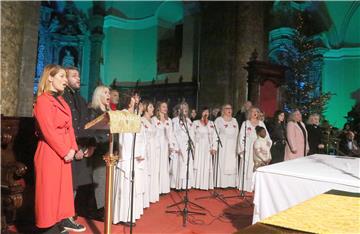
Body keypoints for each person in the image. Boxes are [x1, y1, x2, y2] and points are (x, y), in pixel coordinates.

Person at [33, 64, 85, 233]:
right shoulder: (42, 100)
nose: (65, 81)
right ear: (50, 77)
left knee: (62, 193)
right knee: (49, 194)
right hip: (50, 152)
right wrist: (65, 151)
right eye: (61, 77)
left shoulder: (61, 100)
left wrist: (73, 148)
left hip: (65, 152)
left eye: (65, 77)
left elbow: (70, 127)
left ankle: (61, 224)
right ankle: (49, 229)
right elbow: (48, 130)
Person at [63, 67, 96, 218]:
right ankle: (64, 217)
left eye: (78, 75)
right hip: (68, 149)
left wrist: (89, 145)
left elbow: (86, 124)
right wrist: (74, 148)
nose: (78, 78)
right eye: (74, 76)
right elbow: (65, 127)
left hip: (80, 148)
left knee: (75, 185)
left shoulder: (81, 99)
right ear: (65, 78)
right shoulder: (62, 97)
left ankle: (69, 214)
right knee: (66, 186)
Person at [113, 91, 146, 225]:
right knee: (125, 186)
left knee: (134, 186)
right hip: (127, 155)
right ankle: (123, 215)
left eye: (138, 97)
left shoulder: (136, 115)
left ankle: (131, 214)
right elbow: (124, 136)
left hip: (136, 156)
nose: (137, 99)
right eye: (134, 97)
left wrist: (140, 152)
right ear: (128, 99)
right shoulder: (123, 114)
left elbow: (142, 136)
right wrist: (131, 153)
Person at [238, 107, 271, 192]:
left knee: (258, 167)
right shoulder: (245, 123)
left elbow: (267, 136)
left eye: (257, 111)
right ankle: (246, 186)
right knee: (248, 167)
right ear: (249, 113)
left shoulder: (261, 123)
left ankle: (257, 186)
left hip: (258, 149)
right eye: (253, 111)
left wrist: (267, 144)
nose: (255, 113)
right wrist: (242, 149)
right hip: (248, 149)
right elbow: (241, 137)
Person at [89, 85, 110, 218]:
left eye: (109, 92)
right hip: (99, 150)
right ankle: (99, 210)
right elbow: (91, 132)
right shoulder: (93, 111)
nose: (109, 95)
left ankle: (106, 206)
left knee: (107, 181)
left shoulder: (109, 112)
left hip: (109, 150)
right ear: (98, 96)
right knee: (100, 180)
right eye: (105, 93)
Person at [152, 101, 176, 194]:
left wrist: (171, 146)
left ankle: (163, 188)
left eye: (166, 107)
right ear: (158, 108)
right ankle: (156, 189)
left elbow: (171, 134)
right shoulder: (154, 119)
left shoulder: (169, 120)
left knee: (164, 166)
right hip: (157, 146)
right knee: (157, 166)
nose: (165, 108)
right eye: (163, 106)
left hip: (165, 146)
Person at [170, 102, 195, 189]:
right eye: (183, 108)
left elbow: (191, 134)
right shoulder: (174, 121)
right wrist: (176, 148)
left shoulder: (188, 121)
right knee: (178, 166)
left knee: (186, 166)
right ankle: (177, 185)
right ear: (179, 110)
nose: (185, 110)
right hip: (178, 147)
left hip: (187, 147)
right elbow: (172, 134)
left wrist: (192, 146)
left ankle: (185, 185)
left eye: (186, 108)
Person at [214, 104, 239, 188]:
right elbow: (215, 134)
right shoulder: (218, 120)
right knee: (223, 163)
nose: (229, 110)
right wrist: (214, 146)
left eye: (231, 108)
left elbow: (237, 134)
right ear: (223, 110)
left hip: (232, 146)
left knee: (232, 163)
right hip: (223, 147)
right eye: (227, 108)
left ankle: (231, 184)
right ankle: (221, 183)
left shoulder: (235, 120)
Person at [193, 107, 217, 190]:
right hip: (198, 146)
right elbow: (192, 136)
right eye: (204, 111)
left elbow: (215, 136)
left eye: (207, 112)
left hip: (207, 147)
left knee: (207, 165)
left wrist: (214, 147)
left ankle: (205, 184)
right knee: (198, 163)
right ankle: (196, 184)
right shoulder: (195, 123)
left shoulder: (211, 123)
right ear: (201, 113)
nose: (206, 113)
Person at [141, 100, 160, 203]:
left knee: (153, 171)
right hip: (147, 149)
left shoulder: (153, 120)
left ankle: (152, 195)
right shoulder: (142, 120)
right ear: (146, 108)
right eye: (151, 107)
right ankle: (145, 198)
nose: (153, 109)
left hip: (154, 149)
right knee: (147, 172)